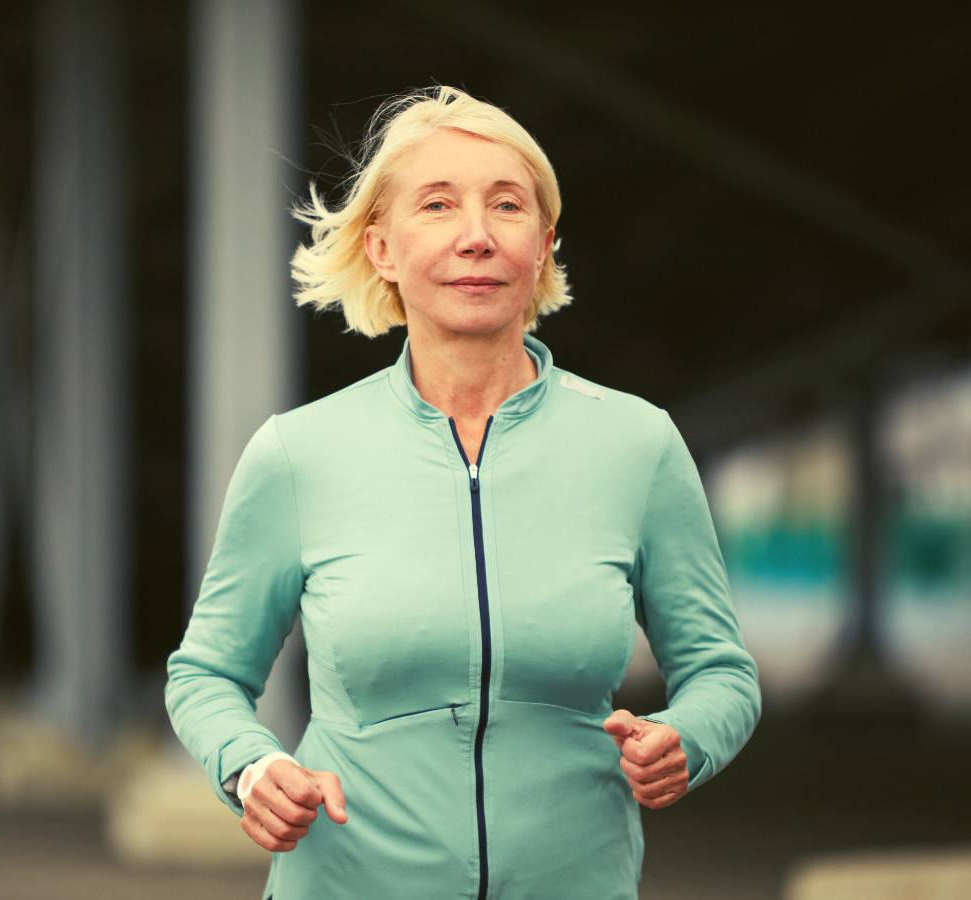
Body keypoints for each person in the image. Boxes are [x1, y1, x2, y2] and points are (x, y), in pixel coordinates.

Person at [164, 84, 761, 900]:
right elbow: (205, 675)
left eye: (507, 206)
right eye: (438, 205)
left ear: (544, 244)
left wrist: (685, 738)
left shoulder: (638, 444)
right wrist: (253, 765)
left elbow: (723, 672)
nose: (476, 237)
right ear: (381, 248)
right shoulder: (298, 453)